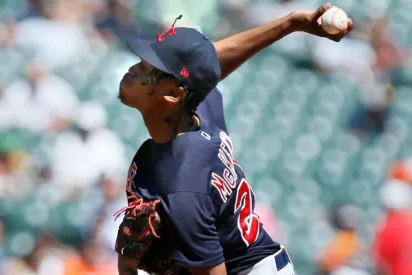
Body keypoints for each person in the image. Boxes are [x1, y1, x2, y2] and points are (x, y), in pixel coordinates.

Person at [115, 3, 353, 275]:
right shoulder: (196, 110)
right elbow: (206, 67)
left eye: (148, 68)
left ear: (173, 94)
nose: (134, 69)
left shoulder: (183, 188)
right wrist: (291, 24)